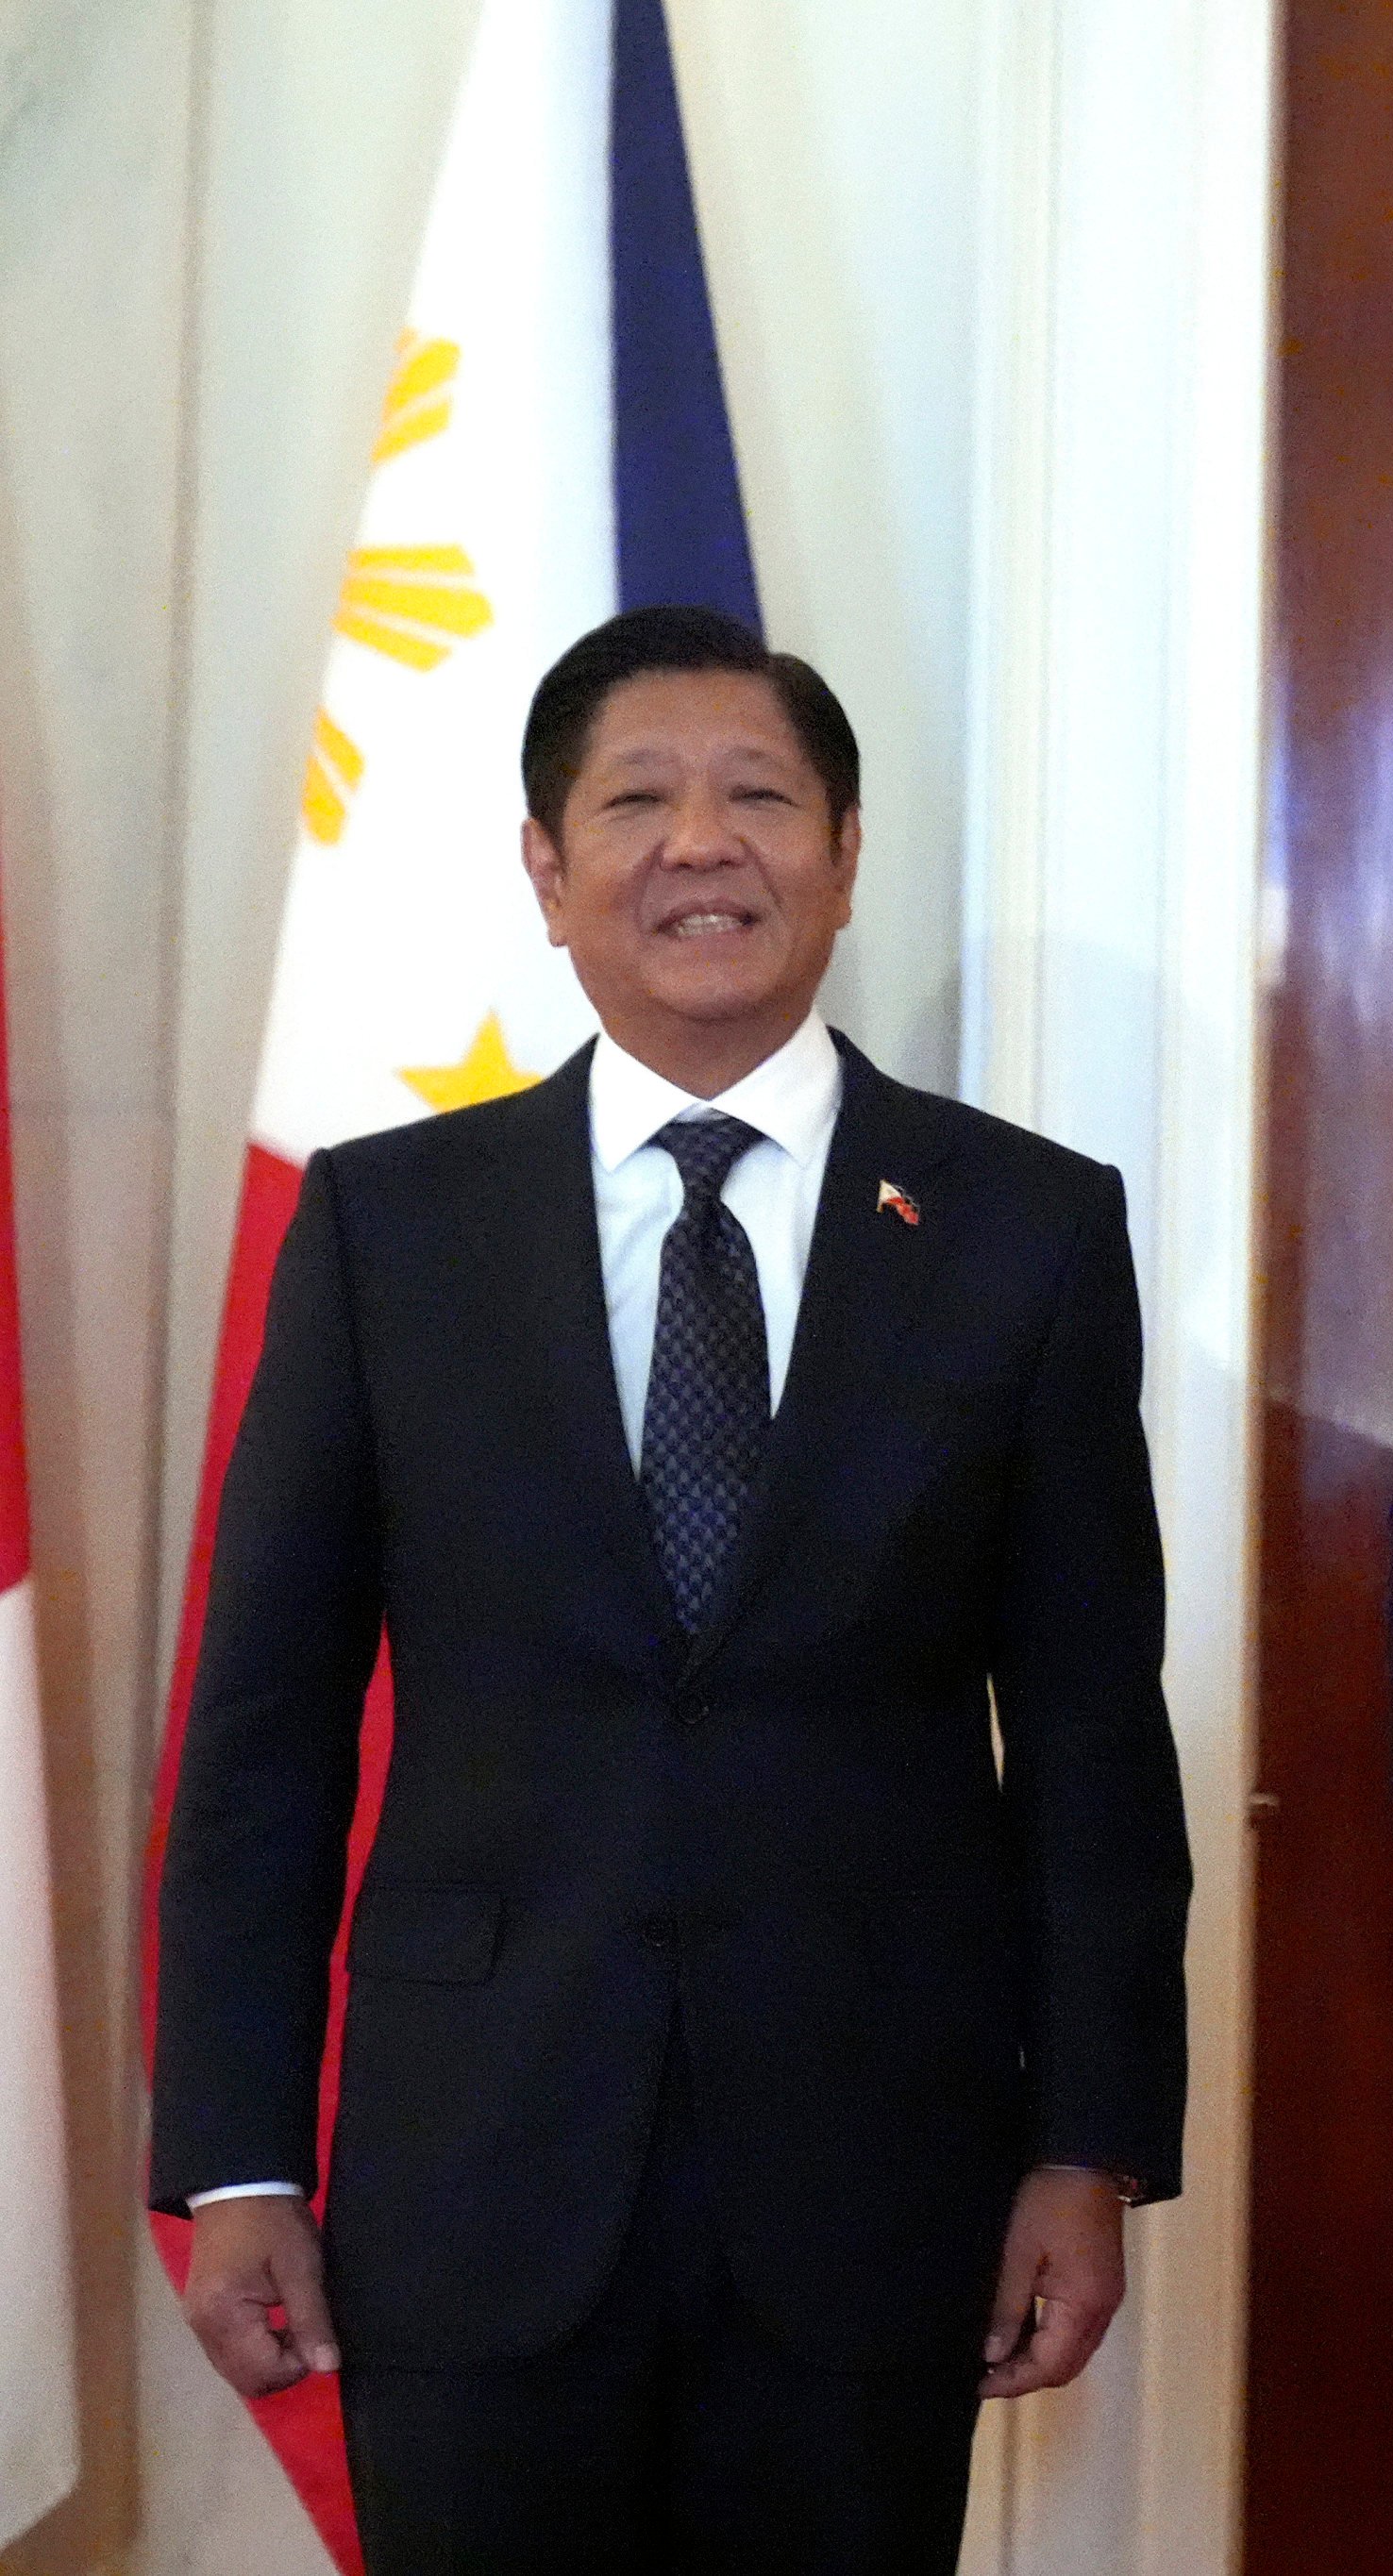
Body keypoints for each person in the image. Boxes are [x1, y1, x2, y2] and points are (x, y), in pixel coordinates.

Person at [152, 607, 1193, 2573]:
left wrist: (1088, 2144)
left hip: (878, 2169)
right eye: (633, 801)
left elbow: (1085, 1734)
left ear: (845, 853)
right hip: (475, 2163)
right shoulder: (391, 1228)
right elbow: (264, 1732)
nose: (699, 845)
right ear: (545, 872)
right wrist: (236, 2152)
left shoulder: (1023, 1228)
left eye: (760, 798)